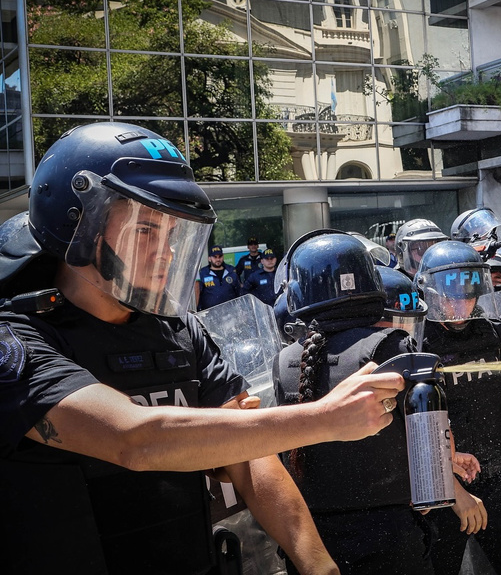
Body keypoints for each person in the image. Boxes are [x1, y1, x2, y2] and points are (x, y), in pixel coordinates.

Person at [0, 122, 405, 574]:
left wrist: (320, 567)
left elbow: (253, 455)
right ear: (79, 225)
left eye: (174, 235)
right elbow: (133, 440)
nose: (168, 253)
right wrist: (324, 419)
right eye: (145, 232)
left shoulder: (177, 331)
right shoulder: (17, 337)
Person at [273, 232, 482, 575]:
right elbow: (428, 433)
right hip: (391, 538)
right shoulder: (392, 345)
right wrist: (449, 487)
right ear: (372, 287)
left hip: (312, 541)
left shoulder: (285, 361)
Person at [417, 240, 501, 575]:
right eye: (450, 298)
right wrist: (453, 491)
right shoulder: (416, 342)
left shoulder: (493, 331)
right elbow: (415, 427)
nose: (460, 306)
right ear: (432, 294)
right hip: (444, 487)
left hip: (500, 476)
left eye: (468, 296)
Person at [196, 244, 242, 310]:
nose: (218, 259)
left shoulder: (231, 271)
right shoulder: (203, 273)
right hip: (209, 314)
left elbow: (239, 292)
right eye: (215, 257)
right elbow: (198, 292)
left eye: (220, 256)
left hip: (230, 313)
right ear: (209, 258)